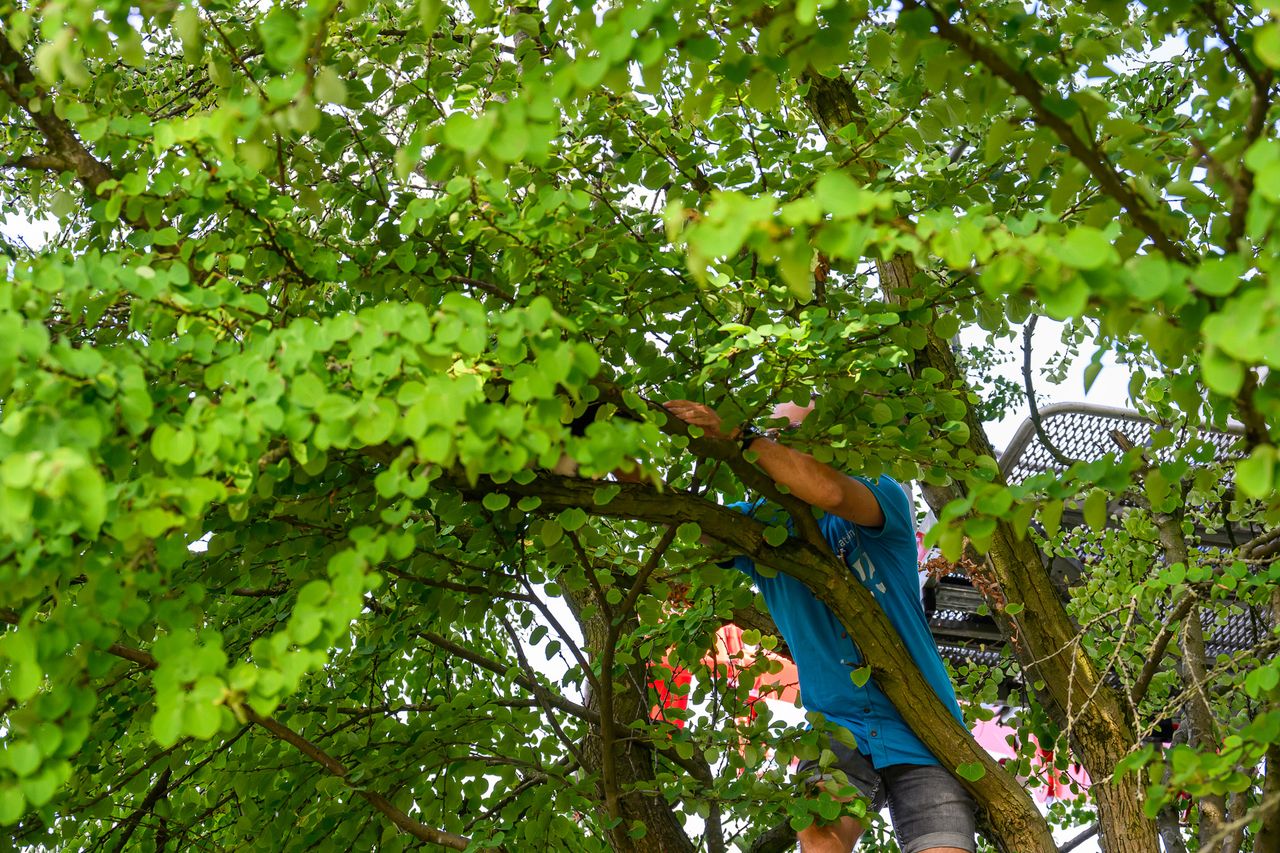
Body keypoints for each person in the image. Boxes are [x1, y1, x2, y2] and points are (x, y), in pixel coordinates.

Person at [663, 397, 976, 853]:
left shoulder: (879, 494)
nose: (783, 450)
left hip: (926, 725)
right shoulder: (761, 530)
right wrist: (620, 455)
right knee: (819, 832)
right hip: (836, 725)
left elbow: (828, 492)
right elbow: (681, 520)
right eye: (776, 439)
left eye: (792, 439)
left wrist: (739, 435)